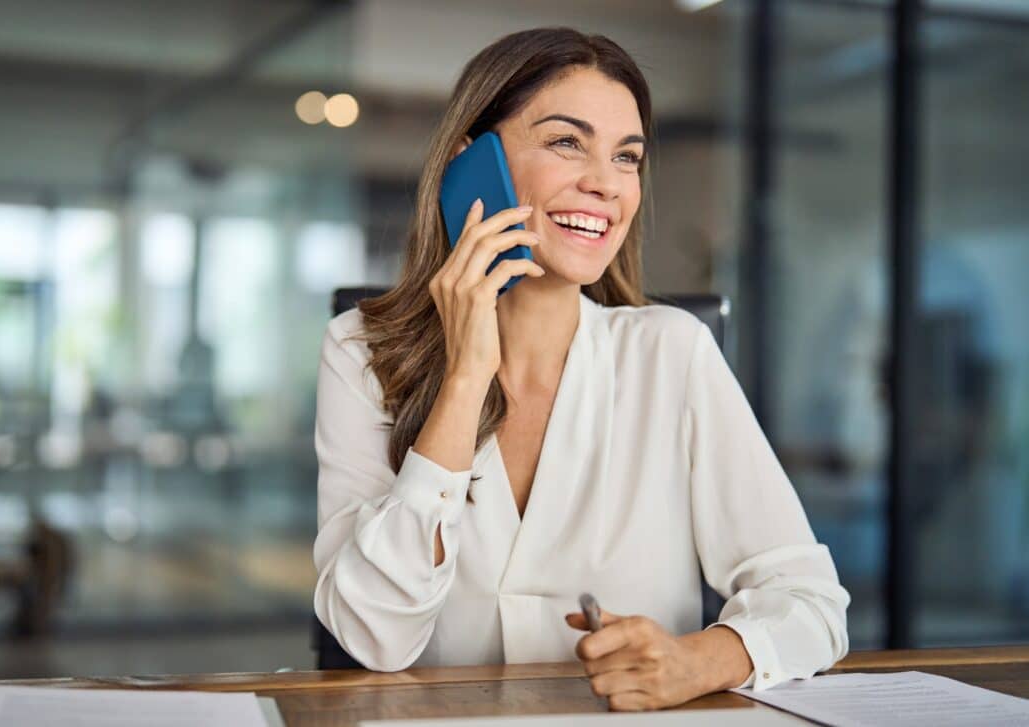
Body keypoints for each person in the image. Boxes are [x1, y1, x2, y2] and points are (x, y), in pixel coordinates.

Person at [312, 27, 849, 711]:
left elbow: (812, 604)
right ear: (469, 165)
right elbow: (373, 634)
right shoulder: (361, 350)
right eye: (567, 142)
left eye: (627, 157)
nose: (604, 184)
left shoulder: (670, 352)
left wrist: (697, 659)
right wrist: (466, 375)